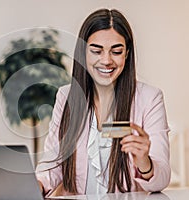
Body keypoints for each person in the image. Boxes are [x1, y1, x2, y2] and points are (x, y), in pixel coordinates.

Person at [35, 8, 170, 197]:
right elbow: (54, 162)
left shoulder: (150, 98)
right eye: (96, 51)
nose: (106, 60)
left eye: (116, 51)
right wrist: (37, 184)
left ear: (127, 53)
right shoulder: (66, 97)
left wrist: (144, 162)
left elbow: (162, 179)